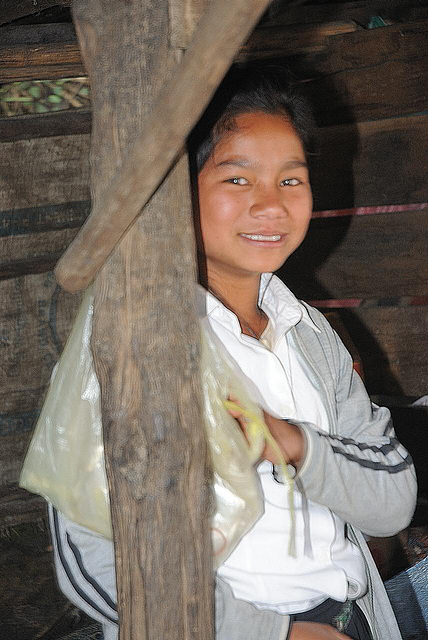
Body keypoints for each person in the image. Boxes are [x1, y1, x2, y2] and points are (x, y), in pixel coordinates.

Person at [40, 63, 417, 640]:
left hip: (353, 619)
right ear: (172, 192)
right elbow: (88, 560)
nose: (272, 205)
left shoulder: (307, 334)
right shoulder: (128, 344)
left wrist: (296, 445)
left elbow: (392, 502)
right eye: (237, 179)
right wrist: (275, 633)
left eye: (291, 180)